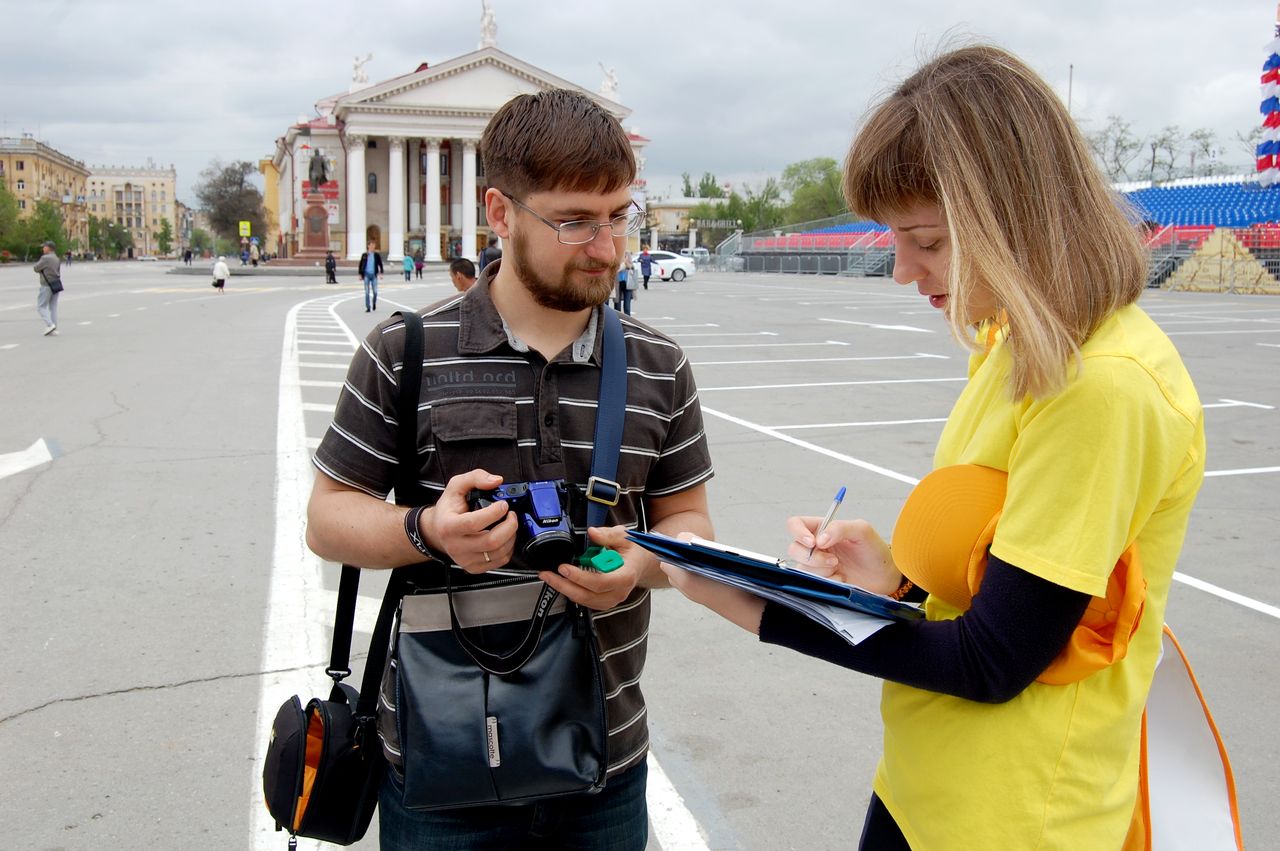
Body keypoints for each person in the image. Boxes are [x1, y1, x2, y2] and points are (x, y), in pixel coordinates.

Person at [662, 45, 1205, 851]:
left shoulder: (1101, 386)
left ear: (1016, 215)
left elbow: (994, 658)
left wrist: (754, 602)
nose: (901, 268)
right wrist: (900, 581)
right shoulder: (1018, 348)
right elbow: (1009, 587)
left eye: (927, 238)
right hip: (930, 786)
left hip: (1015, 819)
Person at [306, 87, 715, 851]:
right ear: (500, 213)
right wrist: (426, 530)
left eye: (619, 215)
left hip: (604, 760)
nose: (607, 247)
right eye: (574, 221)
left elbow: (689, 525)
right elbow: (328, 518)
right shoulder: (405, 352)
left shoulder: (660, 364)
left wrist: (641, 564)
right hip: (439, 762)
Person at [34, 240, 61, 335]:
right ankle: (54, 328)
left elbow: (36, 268)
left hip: (47, 284)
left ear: (49, 248)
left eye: (44, 247)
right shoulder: (56, 258)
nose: (43, 248)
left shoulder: (45, 258)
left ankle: (50, 325)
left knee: (41, 306)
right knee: (53, 307)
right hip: (56, 284)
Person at [357, 239, 383, 311]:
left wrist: (381, 273)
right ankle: (368, 307)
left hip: (374, 275)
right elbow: (361, 264)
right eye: (371, 245)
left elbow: (380, 264)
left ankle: (374, 303)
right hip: (366, 275)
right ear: (368, 246)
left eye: (374, 245)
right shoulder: (364, 255)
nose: (373, 247)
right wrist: (360, 274)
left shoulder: (376, 255)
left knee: (375, 292)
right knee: (367, 291)